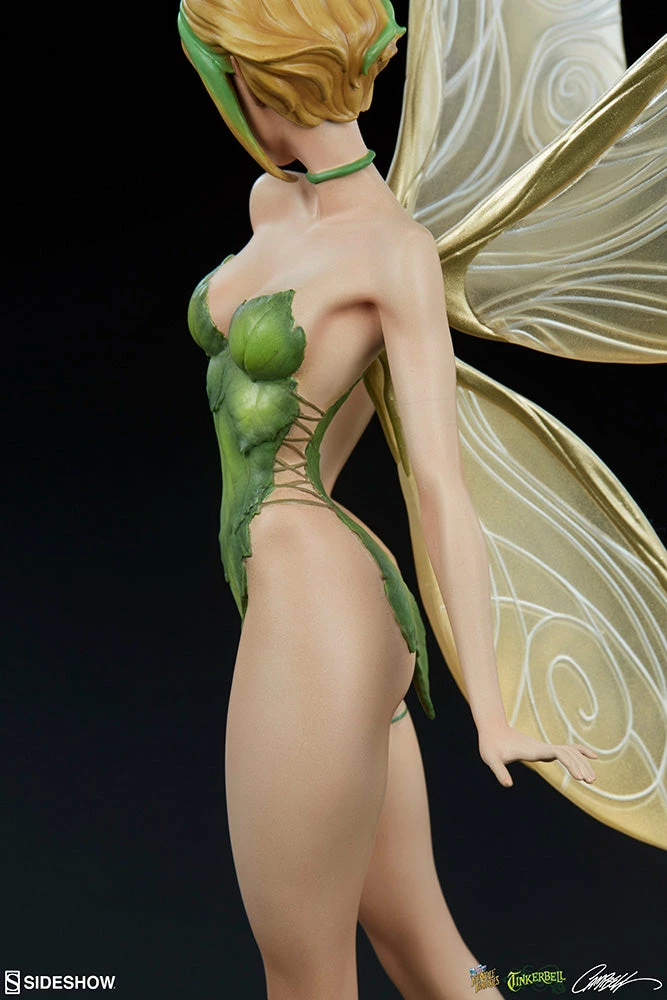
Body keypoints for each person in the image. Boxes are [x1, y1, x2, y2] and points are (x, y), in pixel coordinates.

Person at [178, 1, 598, 996]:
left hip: (312, 611)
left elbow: (438, 482)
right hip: (329, 605)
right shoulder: (273, 205)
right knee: (427, 955)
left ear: (261, 81)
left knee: (303, 974)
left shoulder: (394, 251)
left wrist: (490, 705)